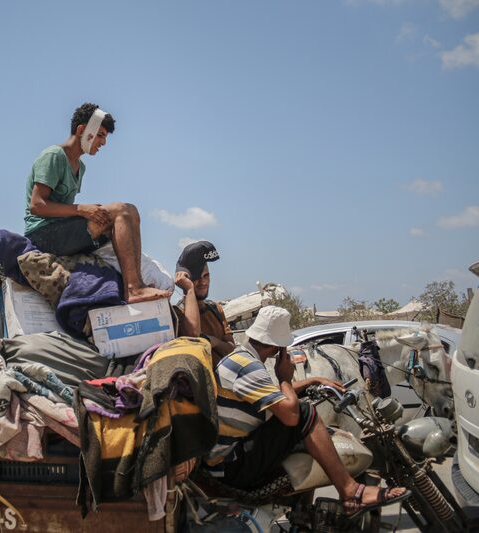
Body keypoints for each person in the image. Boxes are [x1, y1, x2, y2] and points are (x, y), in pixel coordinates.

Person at [204, 306, 410, 517]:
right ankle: (351, 492)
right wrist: (284, 376)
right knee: (304, 412)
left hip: (224, 458)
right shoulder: (249, 366)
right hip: (230, 464)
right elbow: (291, 416)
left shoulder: (242, 358)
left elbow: (272, 395)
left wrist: (312, 380)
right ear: (278, 348)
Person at [24, 103, 170, 304]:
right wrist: (81, 209)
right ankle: (133, 289)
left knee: (129, 213)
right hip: (43, 235)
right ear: (82, 130)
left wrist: (90, 211)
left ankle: (138, 283)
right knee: (119, 210)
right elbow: (37, 205)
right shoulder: (54, 156)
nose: (103, 143)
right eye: (100, 135)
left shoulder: (80, 167)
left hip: (60, 230)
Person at [173, 241, 235, 363]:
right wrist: (189, 289)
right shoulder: (177, 314)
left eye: (206, 276)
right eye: (196, 278)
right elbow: (193, 335)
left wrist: (214, 342)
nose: (203, 282)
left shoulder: (215, 309)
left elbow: (231, 349)